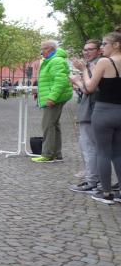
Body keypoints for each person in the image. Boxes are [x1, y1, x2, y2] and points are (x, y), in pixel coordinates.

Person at [72, 29, 121, 204]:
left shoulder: (105, 62)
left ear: (116, 45)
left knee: (103, 153)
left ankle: (106, 193)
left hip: (104, 111)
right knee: (118, 153)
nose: (102, 47)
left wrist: (84, 72)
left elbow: (90, 87)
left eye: (105, 44)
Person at [68, 39, 102, 193]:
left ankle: (93, 181)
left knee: (89, 147)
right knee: (90, 146)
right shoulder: (94, 64)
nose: (86, 52)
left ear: (99, 50)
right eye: (85, 49)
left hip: (92, 110)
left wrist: (78, 81)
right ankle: (95, 180)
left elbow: (91, 89)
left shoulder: (97, 64)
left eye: (90, 49)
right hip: (92, 109)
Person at [32, 40, 72, 163]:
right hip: (55, 96)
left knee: (48, 125)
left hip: (54, 98)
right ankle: (56, 154)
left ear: (51, 49)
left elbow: (60, 81)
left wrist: (52, 97)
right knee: (54, 125)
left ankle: (47, 154)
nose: (41, 51)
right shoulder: (52, 60)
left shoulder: (56, 61)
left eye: (44, 49)